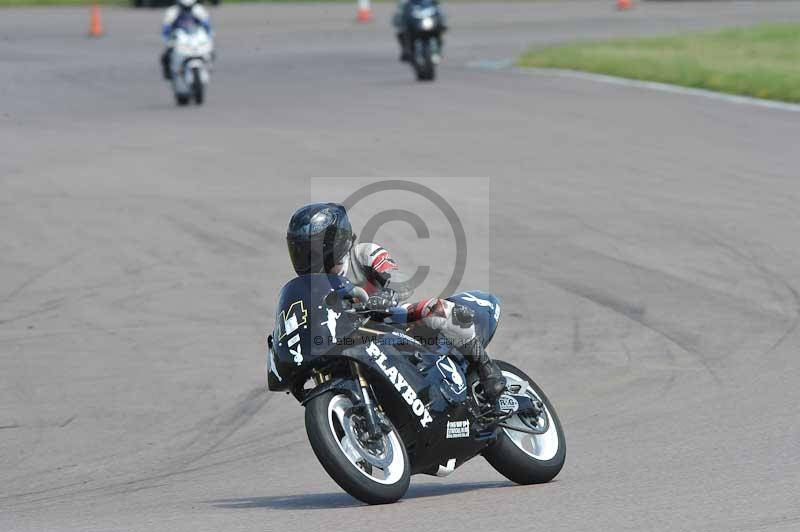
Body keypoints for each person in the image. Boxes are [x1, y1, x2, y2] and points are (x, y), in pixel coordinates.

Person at [285, 202, 507, 414]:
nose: (305, 258)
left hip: (389, 320)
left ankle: (486, 369)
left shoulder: (363, 254)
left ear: (331, 242)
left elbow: (399, 280)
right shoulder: (311, 289)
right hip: (347, 340)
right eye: (300, 250)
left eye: (310, 250)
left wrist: (385, 295)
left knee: (436, 310)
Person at [160, 0, 212, 81]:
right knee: (166, 56)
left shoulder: (198, 10)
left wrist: (208, 36)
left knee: (210, 51)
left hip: (194, 37)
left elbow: (206, 25)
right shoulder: (173, 11)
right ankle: (169, 74)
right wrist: (167, 39)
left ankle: (208, 66)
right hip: (179, 37)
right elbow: (166, 28)